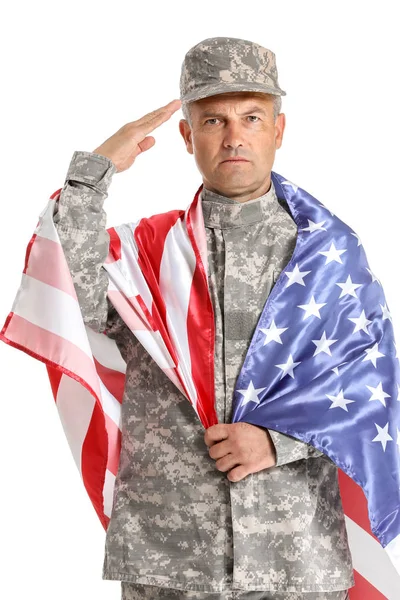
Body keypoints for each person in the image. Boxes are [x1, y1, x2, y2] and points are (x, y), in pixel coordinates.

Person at [53, 37, 353, 599]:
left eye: (252, 117)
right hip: (171, 558)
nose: (234, 137)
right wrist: (92, 175)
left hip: (293, 556)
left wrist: (278, 442)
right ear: (187, 136)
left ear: (279, 130)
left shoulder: (326, 254)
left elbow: (371, 386)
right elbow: (62, 297)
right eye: (213, 120)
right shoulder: (144, 253)